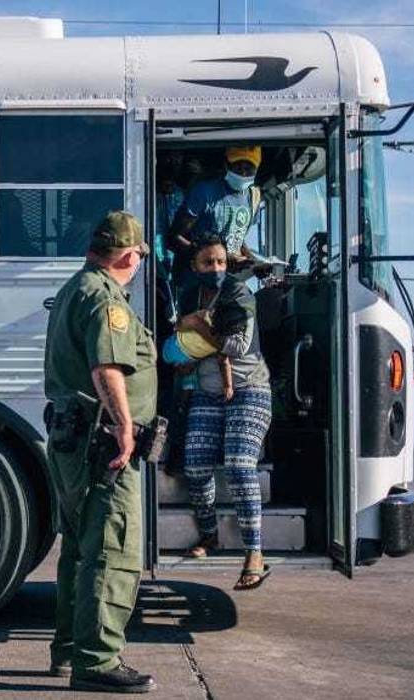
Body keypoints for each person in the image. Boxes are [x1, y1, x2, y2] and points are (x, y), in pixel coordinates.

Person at [43, 210, 158, 693]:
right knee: (113, 550)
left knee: (81, 550)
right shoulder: (105, 298)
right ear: (128, 255)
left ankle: (70, 651)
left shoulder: (76, 287)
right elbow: (107, 366)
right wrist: (125, 427)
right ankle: (97, 661)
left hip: (77, 441)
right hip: (102, 445)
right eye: (138, 258)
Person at [164, 236, 273, 590]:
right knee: (194, 465)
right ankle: (209, 534)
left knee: (240, 466)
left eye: (221, 262)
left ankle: (254, 552)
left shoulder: (239, 295)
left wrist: (198, 327)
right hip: (207, 391)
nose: (216, 269)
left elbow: (238, 345)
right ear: (195, 266)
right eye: (208, 263)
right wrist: (184, 354)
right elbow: (181, 337)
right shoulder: (189, 296)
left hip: (249, 389)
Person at [166, 145, 263, 283]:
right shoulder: (204, 192)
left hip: (228, 281)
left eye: (249, 168)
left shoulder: (254, 197)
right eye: (238, 166)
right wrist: (218, 258)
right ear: (226, 165)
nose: (243, 172)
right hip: (196, 282)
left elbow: (236, 235)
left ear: (257, 169)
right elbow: (173, 238)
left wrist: (253, 262)